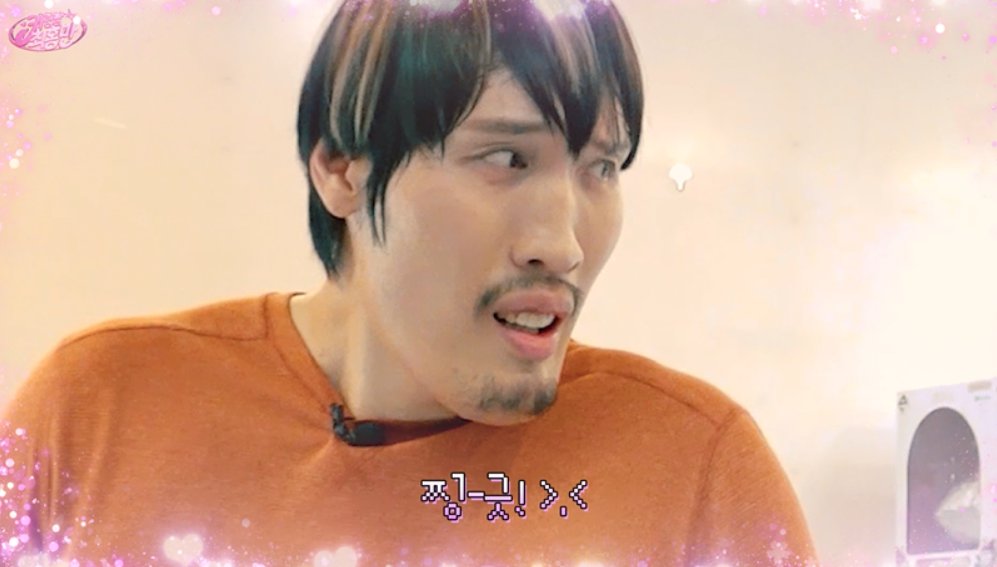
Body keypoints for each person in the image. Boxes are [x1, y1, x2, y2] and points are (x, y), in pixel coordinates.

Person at [0, 0, 818, 565]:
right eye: (505, 158)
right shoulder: (98, 406)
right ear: (341, 169)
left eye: (600, 166)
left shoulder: (695, 466)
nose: (563, 244)